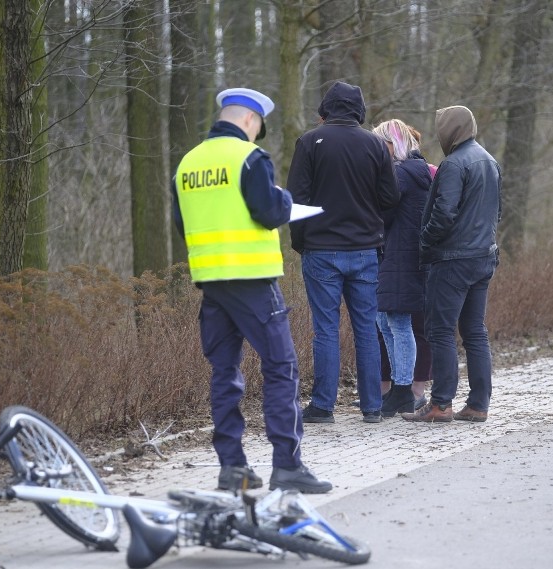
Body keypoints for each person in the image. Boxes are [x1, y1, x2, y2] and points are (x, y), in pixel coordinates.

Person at [172, 87, 332, 493]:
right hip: (253, 281)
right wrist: (284, 199)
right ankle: (287, 465)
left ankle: (233, 467)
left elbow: (182, 223)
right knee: (281, 368)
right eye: (257, 125)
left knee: (224, 372)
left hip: (211, 283)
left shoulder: (187, 164)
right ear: (249, 120)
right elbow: (268, 211)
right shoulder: (249, 158)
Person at [287, 81, 400, 424]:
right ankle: (372, 407)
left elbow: (296, 199)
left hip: (321, 250)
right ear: (359, 111)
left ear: (325, 110)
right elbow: (391, 197)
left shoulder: (310, 142)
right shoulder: (376, 145)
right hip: (366, 249)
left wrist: (301, 242)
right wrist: (373, 226)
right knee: (366, 328)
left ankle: (323, 406)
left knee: (326, 329)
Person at [402, 105, 501, 423]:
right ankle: (478, 404)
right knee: (475, 331)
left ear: (451, 131)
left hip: (453, 259)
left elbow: (444, 212)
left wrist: (426, 241)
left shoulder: (454, 164)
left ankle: (441, 404)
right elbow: (495, 212)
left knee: (440, 330)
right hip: (484, 257)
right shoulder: (489, 160)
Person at [370, 119, 432, 416]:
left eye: (380, 145)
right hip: (401, 256)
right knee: (386, 321)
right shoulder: (414, 170)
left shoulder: (401, 173)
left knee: (397, 323)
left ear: (392, 144)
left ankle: (403, 389)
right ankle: (399, 388)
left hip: (400, 257)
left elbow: (383, 212)